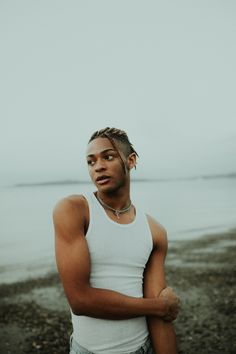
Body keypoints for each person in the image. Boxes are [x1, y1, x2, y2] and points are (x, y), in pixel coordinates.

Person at [53, 127, 180, 354]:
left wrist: (160, 310)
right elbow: (80, 300)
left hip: (142, 348)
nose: (98, 166)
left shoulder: (154, 231)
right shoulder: (74, 210)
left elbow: (161, 319)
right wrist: (159, 306)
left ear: (130, 161)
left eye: (108, 157)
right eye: (91, 162)